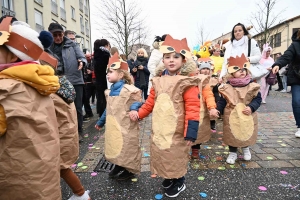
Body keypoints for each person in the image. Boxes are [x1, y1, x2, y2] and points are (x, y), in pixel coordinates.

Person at [129, 35, 218, 198]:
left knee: (176, 154)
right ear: (162, 59)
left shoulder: (187, 82)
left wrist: (191, 132)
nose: (171, 60)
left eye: (176, 57)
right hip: (162, 127)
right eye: (167, 57)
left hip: (178, 129)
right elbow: (150, 103)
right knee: (164, 153)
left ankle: (179, 181)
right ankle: (170, 177)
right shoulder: (158, 81)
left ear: (183, 61)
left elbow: (193, 108)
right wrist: (139, 114)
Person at [0, 16, 61, 199]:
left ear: (13, 55)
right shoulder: (41, 83)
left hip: (18, 177)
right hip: (44, 173)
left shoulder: (5, 90)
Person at [95, 53, 142, 180]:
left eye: (110, 72)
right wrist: (100, 122)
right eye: (107, 72)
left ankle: (129, 169)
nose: (107, 74)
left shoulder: (129, 90)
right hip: (114, 125)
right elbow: (108, 109)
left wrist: (134, 108)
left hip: (126, 124)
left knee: (127, 145)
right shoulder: (110, 91)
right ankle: (119, 164)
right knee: (115, 144)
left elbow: (137, 101)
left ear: (121, 74)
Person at [216, 54, 262, 164]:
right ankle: (232, 152)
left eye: (244, 69)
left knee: (245, 131)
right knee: (232, 132)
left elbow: (257, 99)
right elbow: (223, 101)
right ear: (231, 73)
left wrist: (251, 107)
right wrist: (218, 109)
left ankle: (246, 149)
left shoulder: (252, 86)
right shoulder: (227, 87)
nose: (242, 71)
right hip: (232, 115)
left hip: (246, 114)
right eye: (238, 70)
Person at [48, 22, 87, 139]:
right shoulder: (47, 48)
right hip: (57, 81)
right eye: (55, 35)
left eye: (60, 34)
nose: (58, 38)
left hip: (75, 80)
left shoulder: (72, 44)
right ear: (50, 35)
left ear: (63, 34)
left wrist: (81, 61)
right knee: (61, 109)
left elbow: (82, 57)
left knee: (77, 108)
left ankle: (79, 132)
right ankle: (64, 133)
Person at [180, 58, 218, 159]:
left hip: (198, 110)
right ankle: (183, 150)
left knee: (197, 130)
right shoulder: (180, 81)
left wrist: (212, 107)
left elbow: (208, 95)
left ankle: (195, 150)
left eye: (197, 67)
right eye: (195, 67)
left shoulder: (202, 81)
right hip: (183, 111)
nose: (197, 70)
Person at [272, 29, 300, 137]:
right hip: (297, 77)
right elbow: (286, 57)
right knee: (297, 101)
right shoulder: (295, 45)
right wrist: (277, 64)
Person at [93, 39, 110, 117]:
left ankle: (100, 112)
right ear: (106, 45)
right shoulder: (105, 54)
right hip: (104, 78)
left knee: (100, 96)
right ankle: (104, 113)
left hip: (98, 78)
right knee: (104, 96)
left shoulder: (96, 54)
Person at [83, 52, 95, 121]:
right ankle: (89, 112)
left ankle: (89, 112)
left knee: (86, 98)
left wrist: (91, 72)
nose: (88, 58)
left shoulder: (93, 62)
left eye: (89, 57)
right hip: (88, 83)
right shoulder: (86, 63)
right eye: (87, 57)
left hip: (92, 82)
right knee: (86, 98)